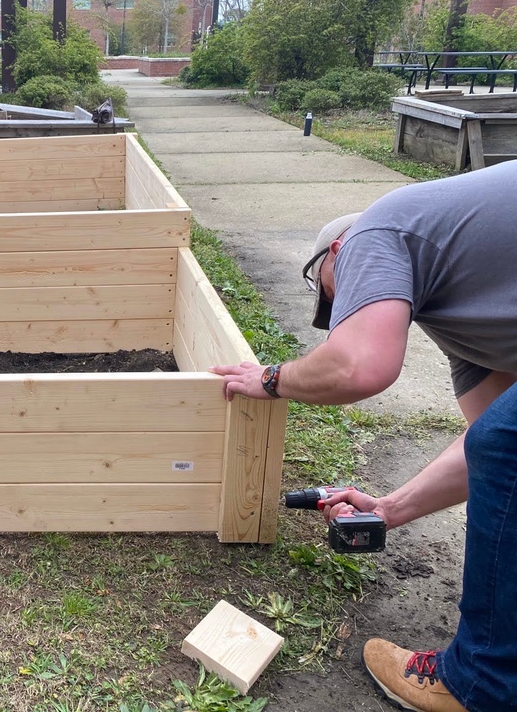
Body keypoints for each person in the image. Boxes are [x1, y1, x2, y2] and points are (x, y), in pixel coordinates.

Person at [209, 161, 517, 712]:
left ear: (335, 254)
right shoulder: (476, 318)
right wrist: (389, 509)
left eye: (324, 283)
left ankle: (480, 685)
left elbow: (359, 368)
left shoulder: (375, 228)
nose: (335, 302)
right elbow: (490, 454)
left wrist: (272, 379)